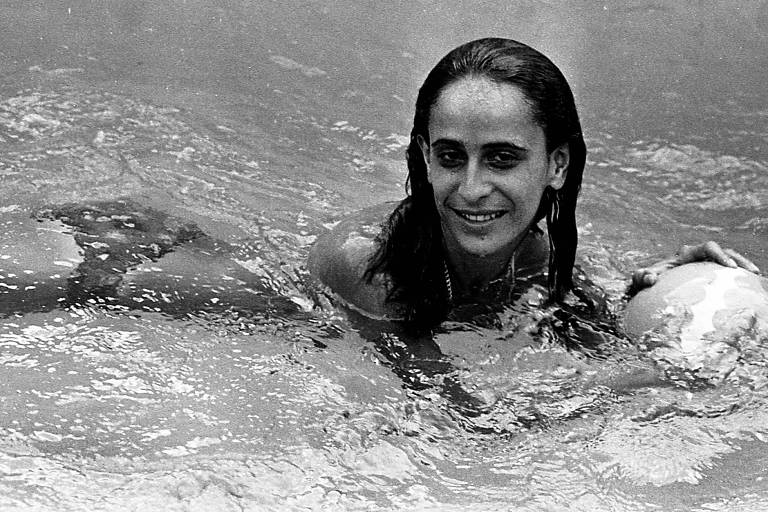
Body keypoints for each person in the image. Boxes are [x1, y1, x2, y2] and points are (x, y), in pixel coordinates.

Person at [308, 37, 758, 333]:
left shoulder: (534, 256)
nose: (471, 187)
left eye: (501, 158)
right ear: (426, 158)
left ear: (556, 165)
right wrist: (645, 383)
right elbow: (461, 421)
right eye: (450, 156)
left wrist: (658, 284)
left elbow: (595, 322)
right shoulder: (366, 265)